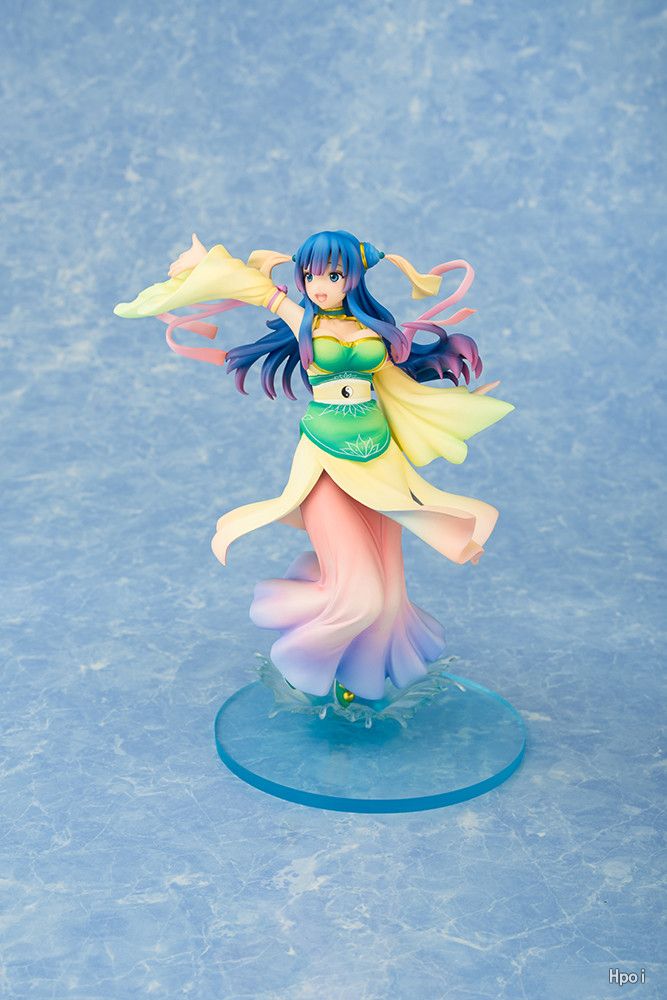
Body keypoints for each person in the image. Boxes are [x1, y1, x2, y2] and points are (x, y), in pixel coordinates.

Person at [114, 230, 513, 705]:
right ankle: (297, 650)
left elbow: (402, 391)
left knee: (389, 598)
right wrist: (203, 267)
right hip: (326, 460)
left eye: (333, 275)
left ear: (353, 278)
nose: (319, 286)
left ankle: (358, 677)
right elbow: (252, 287)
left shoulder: (373, 332)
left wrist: (457, 406)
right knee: (362, 598)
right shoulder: (302, 319)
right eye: (309, 275)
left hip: (380, 461)